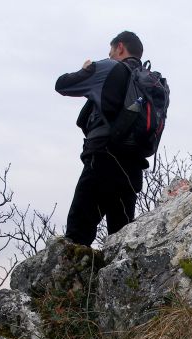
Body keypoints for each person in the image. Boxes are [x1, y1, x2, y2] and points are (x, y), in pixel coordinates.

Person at [55, 31, 149, 246]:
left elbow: (62, 84)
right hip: (132, 167)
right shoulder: (149, 81)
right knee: (121, 241)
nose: (109, 54)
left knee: (77, 236)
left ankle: (76, 279)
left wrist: (85, 68)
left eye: (111, 50)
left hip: (103, 158)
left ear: (120, 47)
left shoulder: (109, 67)